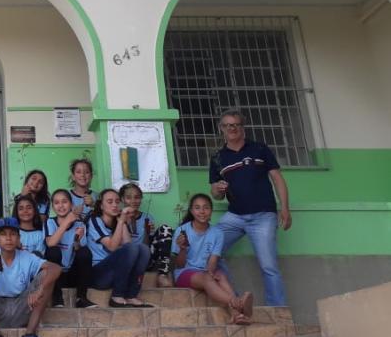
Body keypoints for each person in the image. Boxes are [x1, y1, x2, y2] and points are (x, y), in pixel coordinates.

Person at [209, 109, 291, 306]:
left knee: (269, 266)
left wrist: (285, 208)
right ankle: (236, 301)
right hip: (234, 216)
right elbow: (216, 194)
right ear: (222, 129)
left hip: (263, 216)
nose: (232, 128)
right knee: (210, 249)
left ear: (242, 128)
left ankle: (278, 310)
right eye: (228, 125)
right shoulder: (218, 158)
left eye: (236, 124)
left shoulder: (260, 149)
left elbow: (277, 179)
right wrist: (218, 189)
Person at [172, 193, 253, 325]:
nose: (202, 211)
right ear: (191, 211)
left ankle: (236, 315)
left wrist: (210, 272)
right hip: (184, 273)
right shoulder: (182, 231)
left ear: (211, 211)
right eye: (197, 208)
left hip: (205, 271)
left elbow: (213, 261)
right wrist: (182, 249)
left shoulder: (217, 233)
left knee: (220, 275)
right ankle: (238, 303)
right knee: (207, 278)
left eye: (206, 208)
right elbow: (179, 265)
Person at [83, 189, 152, 308]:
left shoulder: (118, 221)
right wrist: (121, 222)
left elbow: (129, 245)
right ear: (101, 206)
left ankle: (131, 295)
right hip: (98, 274)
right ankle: (117, 296)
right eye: (109, 202)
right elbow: (112, 246)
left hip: (116, 273)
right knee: (132, 248)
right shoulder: (94, 220)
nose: (114, 205)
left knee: (144, 249)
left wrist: (122, 221)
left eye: (117, 202)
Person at [44, 189, 95, 308]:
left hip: (72, 273)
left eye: (64, 202)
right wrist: (67, 222)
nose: (61, 206)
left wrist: (77, 240)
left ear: (71, 205)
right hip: (55, 275)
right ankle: (57, 298)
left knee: (85, 252)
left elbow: (78, 250)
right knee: (53, 251)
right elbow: (51, 243)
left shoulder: (79, 224)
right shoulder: (49, 222)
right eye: (56, 203)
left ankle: (81, 298)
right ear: (53, 207)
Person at [119, 182, 174, 288]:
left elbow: (147, 247)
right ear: (122, 199)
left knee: (165, 228)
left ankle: (162, 275)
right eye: (128, 197)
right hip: (125, 260)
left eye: (137, 197)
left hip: (145, 259)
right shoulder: (118, 217)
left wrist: (148, 233)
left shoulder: (147, 217)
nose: (133, 201)